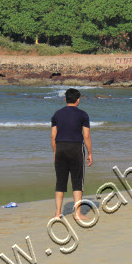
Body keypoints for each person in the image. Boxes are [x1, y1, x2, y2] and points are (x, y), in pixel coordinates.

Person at [51, 88, 93, 220]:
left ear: (65, 99)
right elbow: (86, 136)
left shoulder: (56, 114)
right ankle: (78, 214)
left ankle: (58, 213)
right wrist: (90, 153)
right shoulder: (83, 115)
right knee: (77, 181)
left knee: (60, 182)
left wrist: (55, 152)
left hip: (60, 148)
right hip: (76, 148)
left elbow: (53, 136)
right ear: (78, 100)